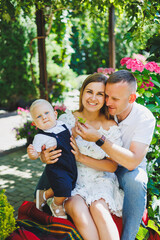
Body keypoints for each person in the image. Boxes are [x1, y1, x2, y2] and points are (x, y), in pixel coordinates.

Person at [28, 73, 124, 240]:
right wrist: (44, 157)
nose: (93, 98)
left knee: (99, 209)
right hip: (72, 180)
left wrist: (81, 157)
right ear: (82, 93)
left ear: (105, 98)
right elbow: (47, 144)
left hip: (100, 179)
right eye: (89, 91)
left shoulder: (110, 125)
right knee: (76, 207)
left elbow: (112, 166)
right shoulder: (66, 120)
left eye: (99, 94)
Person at [73, 70, 156, 240]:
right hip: (98, 164)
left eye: (115, 99)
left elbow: (133, 162)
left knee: (137, 181)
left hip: (126, 167)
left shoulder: (144, 118)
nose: (108, 102)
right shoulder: (104, 108)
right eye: (107, 96)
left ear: (131, 98)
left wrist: (99, 138)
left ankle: (129, 236)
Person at [27, 99, 77, 219]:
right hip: (56, 167)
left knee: (70, 185)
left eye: (46, 113)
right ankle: (56, 205)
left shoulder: (62, 125)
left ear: (55, 114)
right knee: (63, 188)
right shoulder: (40, 137)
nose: (44, 117)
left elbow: (73, 134)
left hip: (69, 164)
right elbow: (36, 154)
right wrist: (32, 153)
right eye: (39, 116)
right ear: (35, 123)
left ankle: (43, 195)